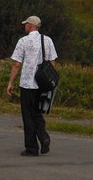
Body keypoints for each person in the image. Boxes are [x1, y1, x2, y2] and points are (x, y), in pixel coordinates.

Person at [7, 15, 57, 157]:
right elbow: (53, 62)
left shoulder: (23, 41)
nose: (25, 27)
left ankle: (31, 147)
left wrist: (10, 82)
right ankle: (43, 136)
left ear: (30, 26)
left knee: (27, 115)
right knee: (37, 112)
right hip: (43, 84)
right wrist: (50, 81)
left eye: (26, 24)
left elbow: (17, 64)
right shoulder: (47, 40)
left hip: (28, 83)